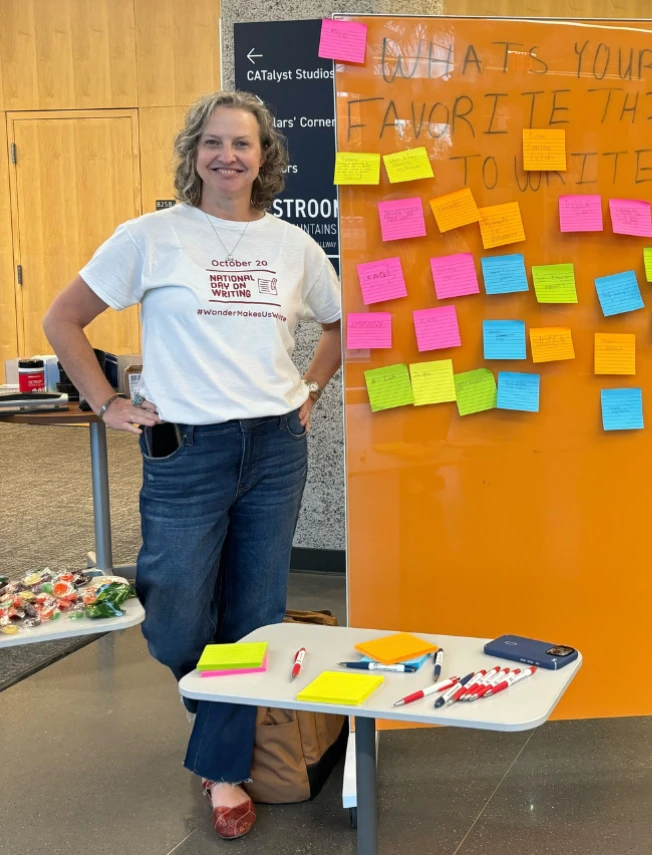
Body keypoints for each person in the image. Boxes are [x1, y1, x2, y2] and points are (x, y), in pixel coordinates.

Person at [42, 90, 342, 839]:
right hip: (187, 449)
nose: (227, 156)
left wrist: (311, 387)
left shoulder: (294, 246)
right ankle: (220, 705)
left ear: (265, 157)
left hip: (275, 446)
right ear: (193, 153)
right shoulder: (152, 235)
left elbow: (342, 325)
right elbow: (63, 319)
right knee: (173, 612)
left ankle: (223, 766)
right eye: (213, 142)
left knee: (254, 612)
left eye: (242, 144)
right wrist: (107, 400)